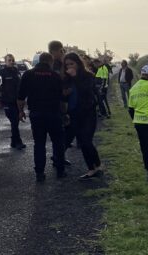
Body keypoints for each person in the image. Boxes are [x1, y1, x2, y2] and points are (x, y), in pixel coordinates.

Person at [17, 53, 67, 182]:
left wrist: (21, 111)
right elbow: (62, 98)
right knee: (58, 142)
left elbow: (21, 97)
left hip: (36, 115)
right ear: (50, 61)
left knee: (39, 144)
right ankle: (60, 170)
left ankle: (40, 173)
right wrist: (65, 113)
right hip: (54, 114)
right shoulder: (55, 76)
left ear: (39, 61)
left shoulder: (28, 75)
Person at [63, 52, 103, 180]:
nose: (69, 67)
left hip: (88, 113)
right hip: (74, 113)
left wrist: (75, 78)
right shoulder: (67, 79)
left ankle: (99, 165)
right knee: (81, 142)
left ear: (78, 63)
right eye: (67, 64)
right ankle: (91, 169)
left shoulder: (88, 76)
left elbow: (87, 92)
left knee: (86, 140)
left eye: (72, 63)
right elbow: (64, 95)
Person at [0, 54, 25, 149]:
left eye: (12, 60)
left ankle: (14, 141)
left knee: (16, 121)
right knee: (14, 121)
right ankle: (17, 141)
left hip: (16, 101)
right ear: (5, 61)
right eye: (9, 60)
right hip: (7, 101)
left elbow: (20, 85)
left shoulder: (16, 71)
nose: (11, 62)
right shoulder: (2, 73)